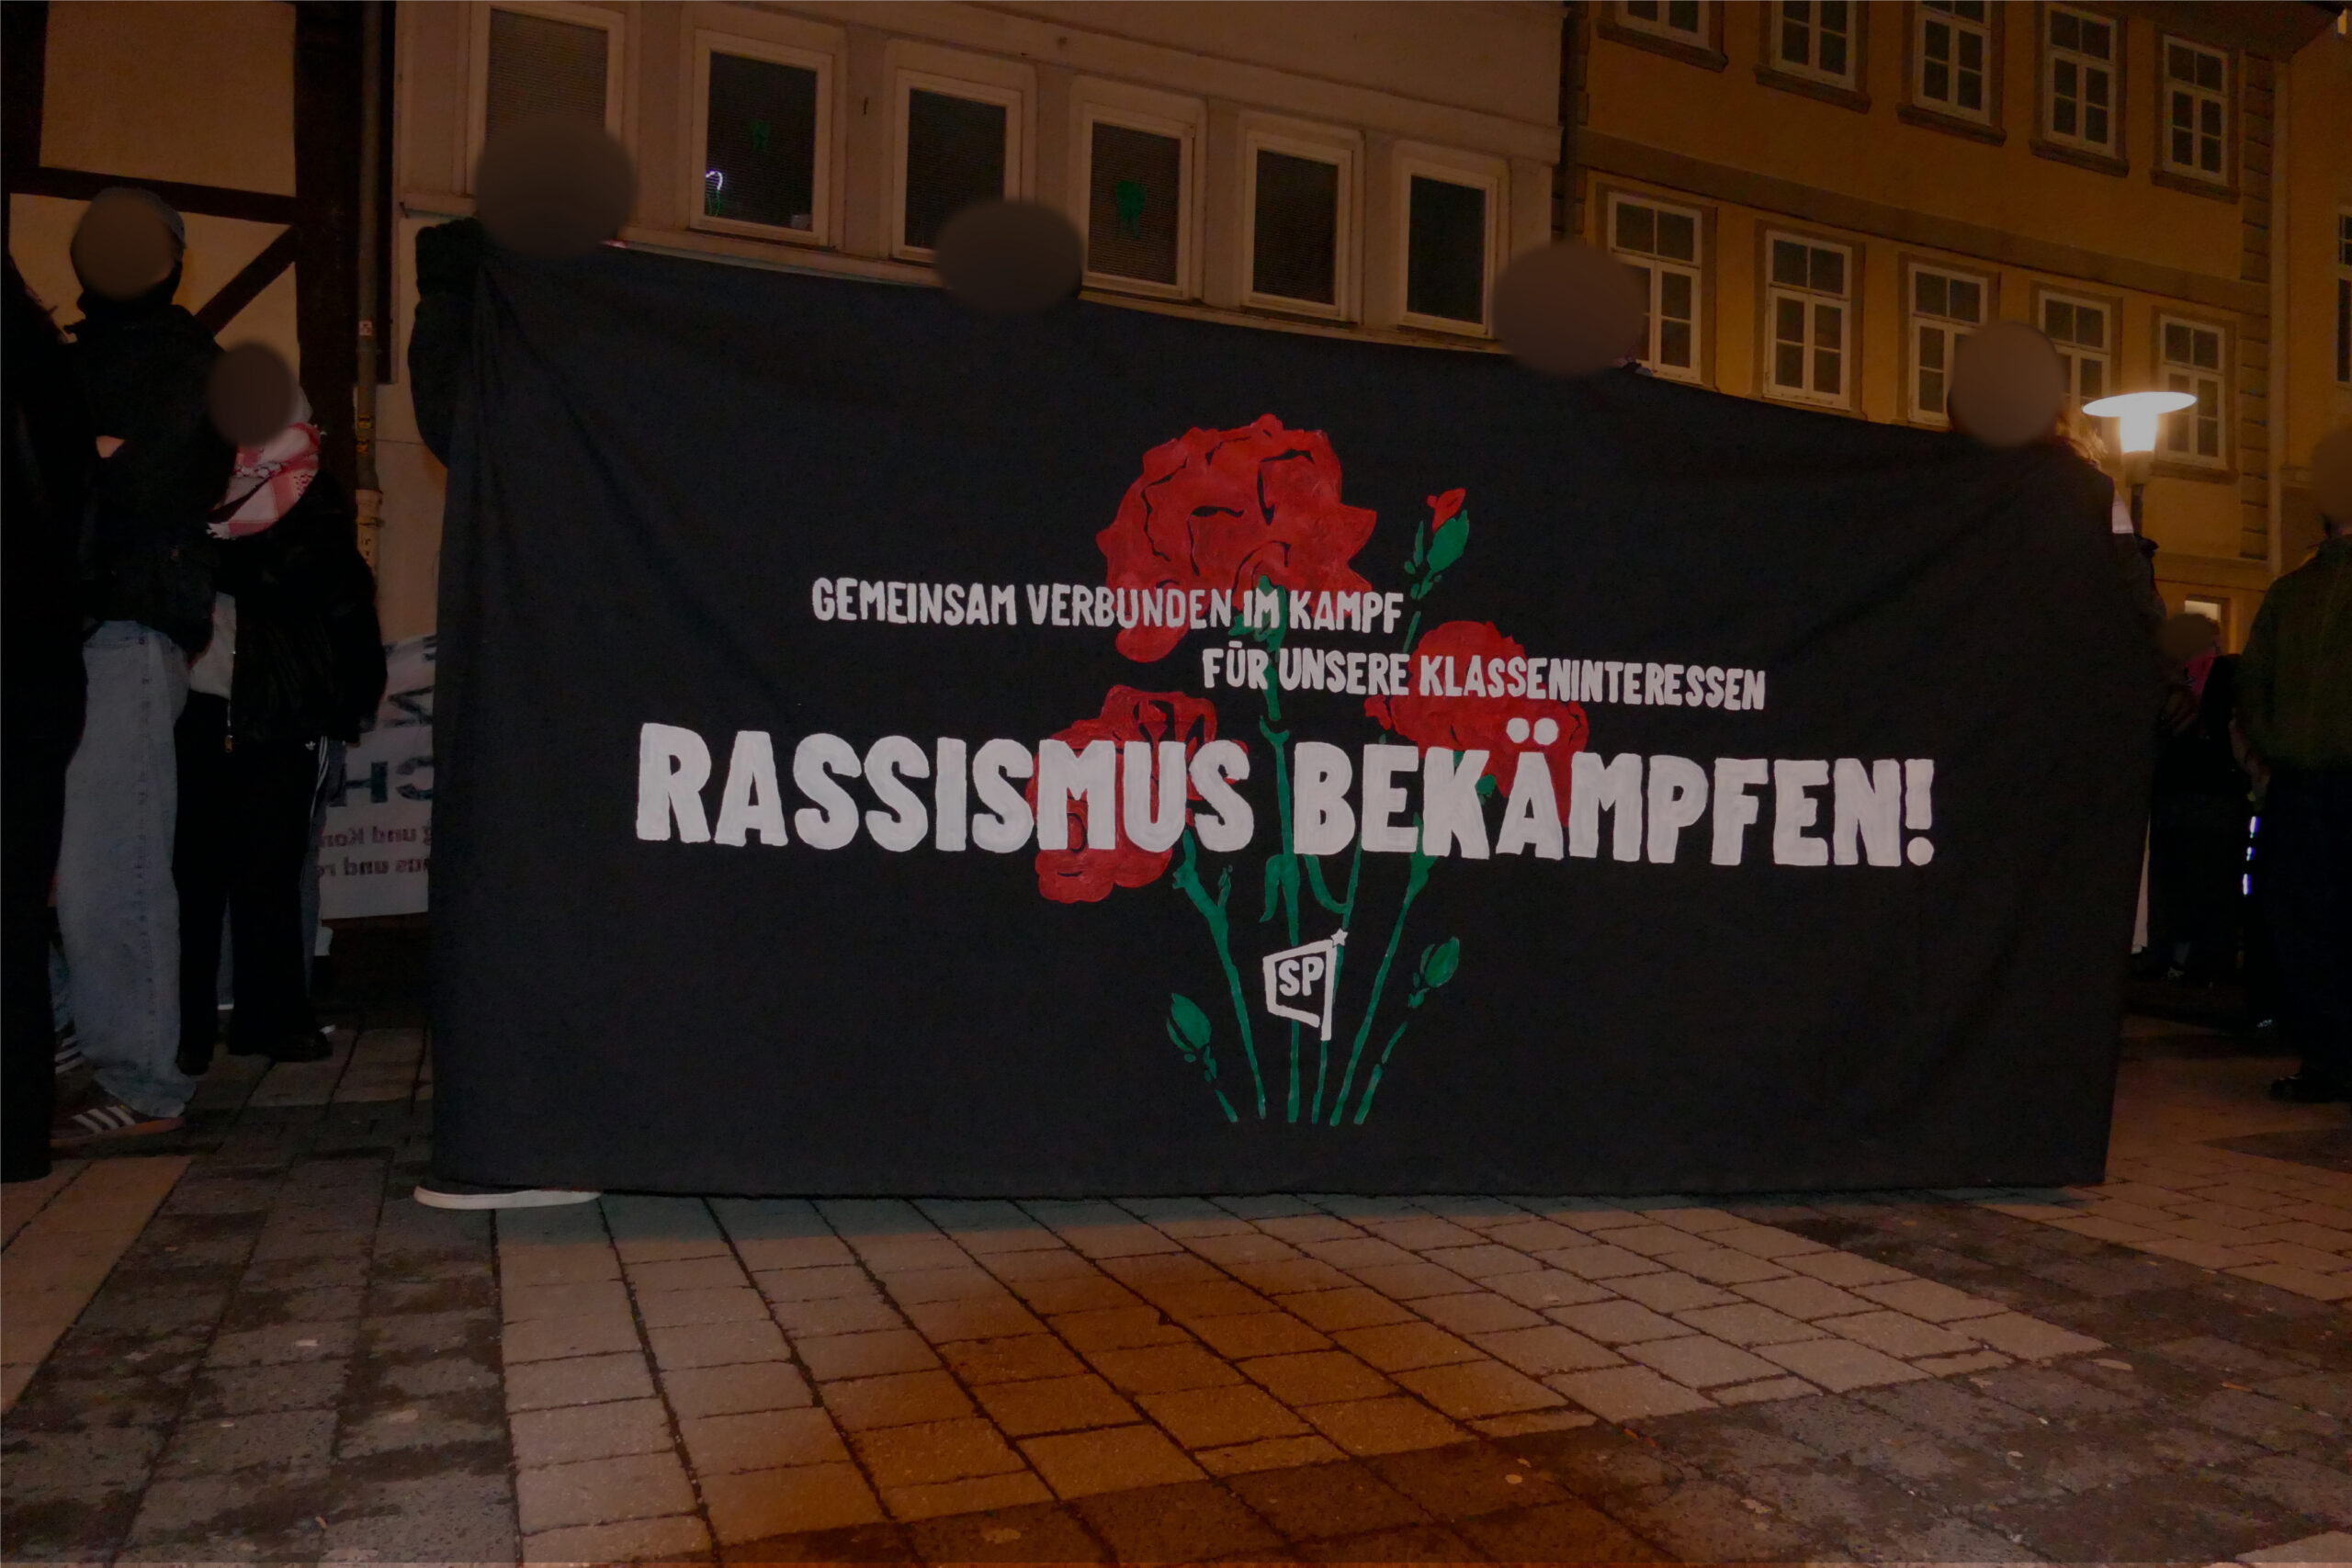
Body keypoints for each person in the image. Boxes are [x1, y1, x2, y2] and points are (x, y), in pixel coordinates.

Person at [403, 214, 598, 1212]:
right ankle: (529, 1127)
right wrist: (455, 286)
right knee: (524, 884)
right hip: (534, 687)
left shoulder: (591, 339)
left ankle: (543, 1128)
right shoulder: (513, 347)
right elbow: (452, 414)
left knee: (549, 887)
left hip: (569, 691)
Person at [51, 188, 231, 1146]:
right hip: (54, 632)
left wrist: (75, 461)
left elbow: (147, 480)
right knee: (55, 863)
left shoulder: (190, 363)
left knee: (110, 868)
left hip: (125, 629)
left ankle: (145, 1081)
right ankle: (67, 1035)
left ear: (170, 258)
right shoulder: (67, 358)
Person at [175, 397, 386, 1076]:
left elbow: (299, 580)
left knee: (271, 872)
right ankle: (188, 1026)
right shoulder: (191, 488)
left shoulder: (312, 495)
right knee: (192, 874)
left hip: (280, 708)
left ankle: (273, 1018)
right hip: (200, 704)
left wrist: (212, 552)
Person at [4, 259, 95, 1181]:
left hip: (27, 661)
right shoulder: (48, 363)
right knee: (15, 910)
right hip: (41, 664)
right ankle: (17, 1129)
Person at [2245, 431, 2352, 1103]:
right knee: (2299, 921)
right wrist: (2275, 743)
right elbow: (2255, 680)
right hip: (2299, 785)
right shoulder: (2292, 591)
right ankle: (2326, 1058)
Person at [2144, 614, 2251, 986]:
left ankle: (2176, 959)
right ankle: (2205, 964)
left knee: (2178, 883)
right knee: (2212, 884)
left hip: (2179, 796)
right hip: (2215, 797)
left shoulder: (2168, 680)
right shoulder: (2227, 674)